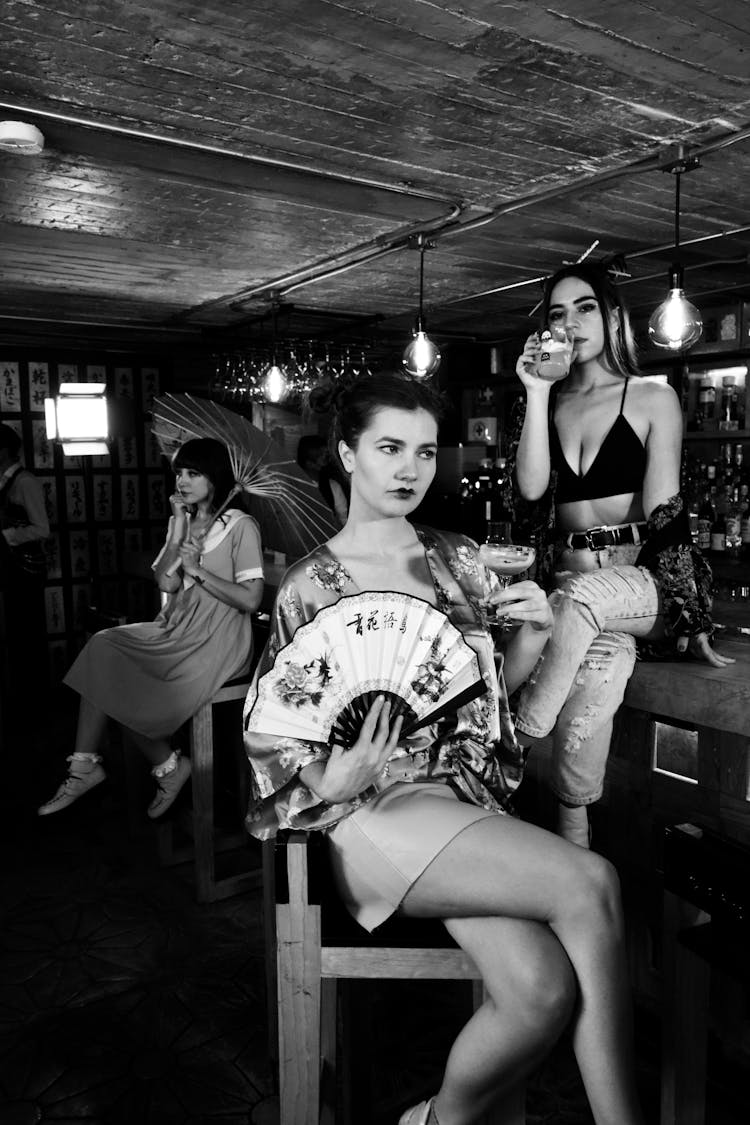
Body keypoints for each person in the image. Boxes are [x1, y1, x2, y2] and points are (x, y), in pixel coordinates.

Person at [245, 372, 645, 1125]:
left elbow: (484, 696)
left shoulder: (459, 557)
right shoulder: (309, 584)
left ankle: (435, 1120)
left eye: (425, 452)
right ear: (347, 453)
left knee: (542, 990)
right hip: (372, 813)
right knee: (591, 882)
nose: (409, 469)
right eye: (389, 447)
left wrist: (529, 634)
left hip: (463, 802)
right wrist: (335, 775)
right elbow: (277, 730)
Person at [508, 262, 733, 847]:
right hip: (567, 583)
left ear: (611, 316)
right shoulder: (547, 403)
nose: (570, 323)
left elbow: (666, 515)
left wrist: (692, 610)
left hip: (639, 578)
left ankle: (513, 739)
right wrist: (534, 391)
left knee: (581, 600)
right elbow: (532, 493)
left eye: (584, 308)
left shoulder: (653, 397)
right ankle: (574, 840)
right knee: (598, 683)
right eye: (557, 313)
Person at [38, 438, 264, 818]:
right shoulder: (186, 522)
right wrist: (178, 531)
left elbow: (251, 600)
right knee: (103, 647)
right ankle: (87, 767)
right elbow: (166, 583)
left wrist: (199, 571)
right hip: (177, 628)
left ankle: (166, 768)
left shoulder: (242, 526)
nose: (182, 481)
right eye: (179, 472)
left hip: (217, 639)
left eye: (193, 473)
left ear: (216, 476)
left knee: (121, 676)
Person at [0, 422, 50, 728]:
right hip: (10, 569)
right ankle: (22, 701)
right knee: (17, 637)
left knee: (29, 636)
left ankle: (36, 707)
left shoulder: (25, 481)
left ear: (3, 450)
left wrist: (7, 535)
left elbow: (42, 529)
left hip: (25, 570)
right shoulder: (5, 481)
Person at [296, 432, 349, 526]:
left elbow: (343, 519)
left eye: (326, 455)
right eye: (321, 455)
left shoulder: (333, 487)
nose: (326, 459)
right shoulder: (294, 487)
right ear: (309, 462)